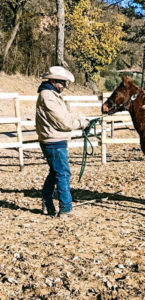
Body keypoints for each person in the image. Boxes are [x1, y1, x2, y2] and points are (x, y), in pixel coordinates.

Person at [35, 66, 90, 217]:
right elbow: (63, 123)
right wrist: (82, 124)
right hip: (54, 140)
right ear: (52, 80)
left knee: (55, 172)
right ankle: (65, 208)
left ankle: (47, 202)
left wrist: (80, 119)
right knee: (63, 174)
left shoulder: (53, 94)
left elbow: (66, 116)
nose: (64, 85)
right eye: (62, 82)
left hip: (53, 139)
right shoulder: (48, 96)